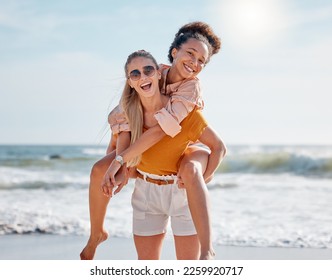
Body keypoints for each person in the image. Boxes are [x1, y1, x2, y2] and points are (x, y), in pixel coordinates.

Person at [80, 22, 224, 260]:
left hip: (182, 156)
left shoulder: (189, 93)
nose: (195, 63)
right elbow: (122, 128)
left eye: (202, 60)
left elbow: (161, 131)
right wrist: (118, 165)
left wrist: (202, 179)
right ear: (173, 53)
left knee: (190, 168)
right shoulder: (149, 80)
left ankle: (208, 250)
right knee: (99, 168)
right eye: (190, 53)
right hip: (148, 187)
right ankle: (96, 233)